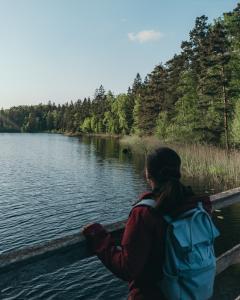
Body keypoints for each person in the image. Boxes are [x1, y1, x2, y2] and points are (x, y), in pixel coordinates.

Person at [82, 147, 212, 300]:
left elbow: (127, 268)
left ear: (147, 173)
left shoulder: (145, 213)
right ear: (178, 171)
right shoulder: (199, 206)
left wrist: (97, 236)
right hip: (191, 290)